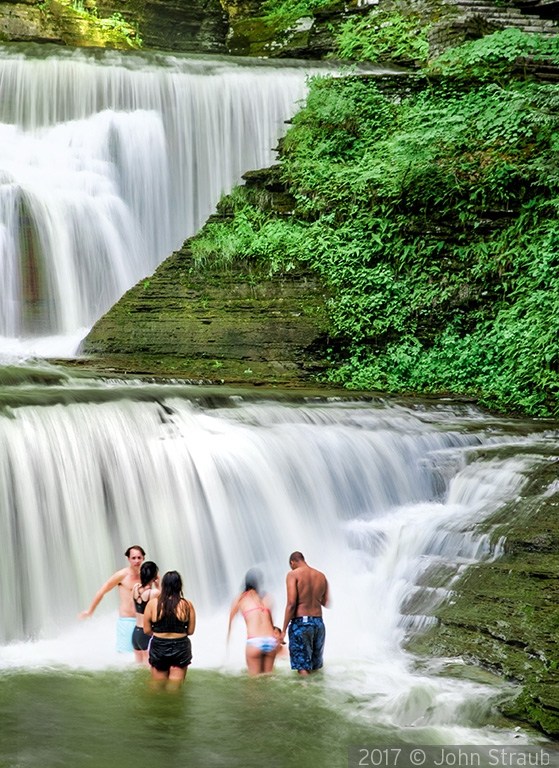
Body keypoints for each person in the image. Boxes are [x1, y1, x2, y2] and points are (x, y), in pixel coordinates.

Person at [78, 545, 146, 653]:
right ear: (128, 559)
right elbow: (102, 591)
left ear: (143, 558)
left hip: (144, 620)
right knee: (125, 655)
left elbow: (159, 592)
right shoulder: (121, 575)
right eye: (133, 558)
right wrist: (90, 611)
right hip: (127, 621)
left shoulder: (148, 574)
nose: (136, 561)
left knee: (146, 658)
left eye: (139, 557)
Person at [144, 570, 196, 689]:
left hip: (159, 646)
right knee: (174, 688)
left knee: (157, 686)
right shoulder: (187, 605)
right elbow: (191, 631)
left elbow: (146, 630)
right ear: (179, 585)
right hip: (180, 647)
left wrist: (159, 633)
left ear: (163, 585)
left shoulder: (152, 604)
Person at [280, 551, 329, 676]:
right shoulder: (321, 576)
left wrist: (283, 630)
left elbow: (291, 604)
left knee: (302, 667)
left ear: (292, 563)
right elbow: (326, 602)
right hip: (318, 623)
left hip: (301, 623)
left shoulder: (293, 575)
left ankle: (305, 692)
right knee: (315, 666)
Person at [227, 569, 278, 675]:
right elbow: (270, 621)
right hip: (271, 641)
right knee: (269, 678)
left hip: (255, 641)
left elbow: (231, 620)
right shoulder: (268, 597)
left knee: (254, 682)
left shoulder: (241, 598)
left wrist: (228, 640)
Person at [132, 561, 160, 665]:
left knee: (138, 665)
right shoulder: (154, 593)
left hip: (136, 632)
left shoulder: (135, 588)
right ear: (155, 575)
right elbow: (163, 603)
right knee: (147, 666)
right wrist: (158, 585)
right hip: (146, 633)